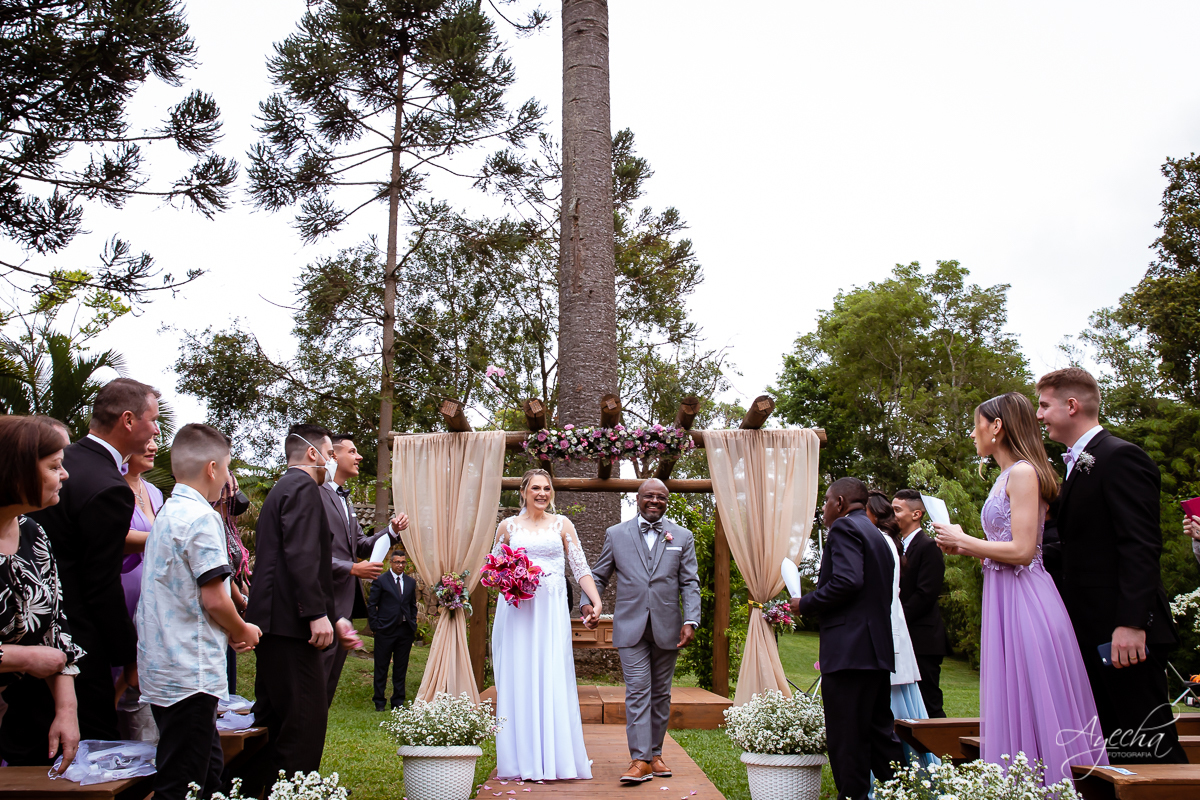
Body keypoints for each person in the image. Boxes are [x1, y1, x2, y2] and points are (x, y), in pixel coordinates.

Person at [934, 391, 1108, 783]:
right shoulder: (1003, 476)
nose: (973, 432)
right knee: (1012, 698)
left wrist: (964, 539)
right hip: (1003, 595)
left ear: (996, 427)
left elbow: (1025, 550)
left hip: (1027, 599)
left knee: (1035, 697)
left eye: (977, 423)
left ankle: (1053, 787)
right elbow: (1003, 549)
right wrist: (970, 550)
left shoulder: (1025, 473)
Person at [1035, 368, 1185, 764]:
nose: (1038, 415)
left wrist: (1132, 624)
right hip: (1090, 628)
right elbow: (1079, 546)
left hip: (1121, 633)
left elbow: (1140, 545)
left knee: (1150, 750)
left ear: (1072, 405)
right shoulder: (1080, 463)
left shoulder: (1120, 457)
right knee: (1117, 751)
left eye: (1044, 405)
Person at [16, 379, 159, 748]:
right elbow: (101, 585)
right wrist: (129, 658)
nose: (156, 430)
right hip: (78, 645)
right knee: (92, 749)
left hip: (29, 636)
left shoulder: (68, 461)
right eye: (153, 419)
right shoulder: (109, 487)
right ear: (128, 421)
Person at [137, 424, 261, 800]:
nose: (227, 479)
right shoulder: (202, 517)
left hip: (164, 668)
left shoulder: (169, 511)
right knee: (182, 783)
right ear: (212, 469)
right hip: (189, 672)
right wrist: (242, 630)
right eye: (226, 470)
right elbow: (213, 598)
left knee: (207, 774)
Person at [241, 424, 360, 793]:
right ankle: (293, 790)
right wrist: (316, 614)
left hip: (273, 625)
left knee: (273, 720)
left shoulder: (281, 489)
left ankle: (257, 789)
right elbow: (303, 555)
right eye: (328, 452)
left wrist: (335, 615)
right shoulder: (305, 488)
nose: (329, 461)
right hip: (292, 628)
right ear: (313, 453)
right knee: (305, 723)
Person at [789, 478, 902, 800]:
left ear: (839, 502)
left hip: (850, 651)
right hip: (875, 650)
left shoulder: (843, 529)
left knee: (847, 737)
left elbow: (848, 581)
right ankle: (901, 791)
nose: (823, 508)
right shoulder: (878, 536)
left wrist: (805, 604)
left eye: (825, 501)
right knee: (880, 734)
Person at [582, 477, 700, 784]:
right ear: (638, 499)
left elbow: (689, 583)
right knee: (637, 691)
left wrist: (691, 620)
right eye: (649, 496)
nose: (655, 501)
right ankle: (639, 759)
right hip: (630, 626)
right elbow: (598, 575)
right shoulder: (616, 534)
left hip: (668, 627)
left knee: (661, 695)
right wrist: (587, 606)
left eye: (661, 497)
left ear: (667, 502)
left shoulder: (682, 537)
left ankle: (655, 754)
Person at [494, 469, 602, 781]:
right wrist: (512, 579)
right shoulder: (507, 527)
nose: (542, 493)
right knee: (521, 674)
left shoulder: (563, 524)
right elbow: (494, 571)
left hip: (551, 610)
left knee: (553, 672)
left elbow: (580, 567)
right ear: (524, 491)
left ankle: (556, 758)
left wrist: (595, 601)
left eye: (547, 488)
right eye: (536, 488)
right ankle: (521, 760)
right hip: (518, 610)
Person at [0, 416, 85, 772]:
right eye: (54, 466)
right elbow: (37, 654)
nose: (64, 475)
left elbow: (55, 627)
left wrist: (66, 711)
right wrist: (23, 658)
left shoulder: (33, 534)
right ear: (14, 470)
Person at [321, 434, 408, 705]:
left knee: (326, 689)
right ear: (333, 456)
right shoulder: (317, 495)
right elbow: (308, 554)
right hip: (321, 600)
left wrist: (391, 531)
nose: (359, 457)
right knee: (314, 683)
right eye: (353, 451)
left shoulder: (346, 501)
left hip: (342, 606)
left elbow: (361, 546)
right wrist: (351, 569)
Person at [865, 491, 937, 771]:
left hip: (908, 636)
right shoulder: (892, 543)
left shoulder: (914, 545)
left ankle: (920, 765)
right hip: (898, 634)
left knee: (916, 708)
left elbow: (925, 593)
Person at [115, 438, 164, 742]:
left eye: (156, 441)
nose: (153, 447)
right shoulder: (112, 486)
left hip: (150, 592)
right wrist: (165, 537)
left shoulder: (155, 491)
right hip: (122, 587)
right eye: (145, 442)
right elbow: (111, 536)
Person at [891, 489, 948, 718]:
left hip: (923, 639)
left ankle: (942, 752)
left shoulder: (928, 547)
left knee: (929, 700)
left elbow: (926, 594)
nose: (891, 515)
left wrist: (897, 618)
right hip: (904, 636)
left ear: (916, 514)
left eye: (896, 510)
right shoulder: (895, 546)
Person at [366, 551, 418, 711]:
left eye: (403, 562)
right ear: (391, 562)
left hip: (404, 631)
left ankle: (398, 702)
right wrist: (375, 626)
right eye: (397, 562)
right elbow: (371, 605)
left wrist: (413, 623)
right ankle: (379, 701)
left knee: (400, 668)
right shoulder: (381, 580)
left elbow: (412, 606)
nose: (400, 565)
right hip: (385, 630)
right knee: (381, 667)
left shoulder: (410, 582)